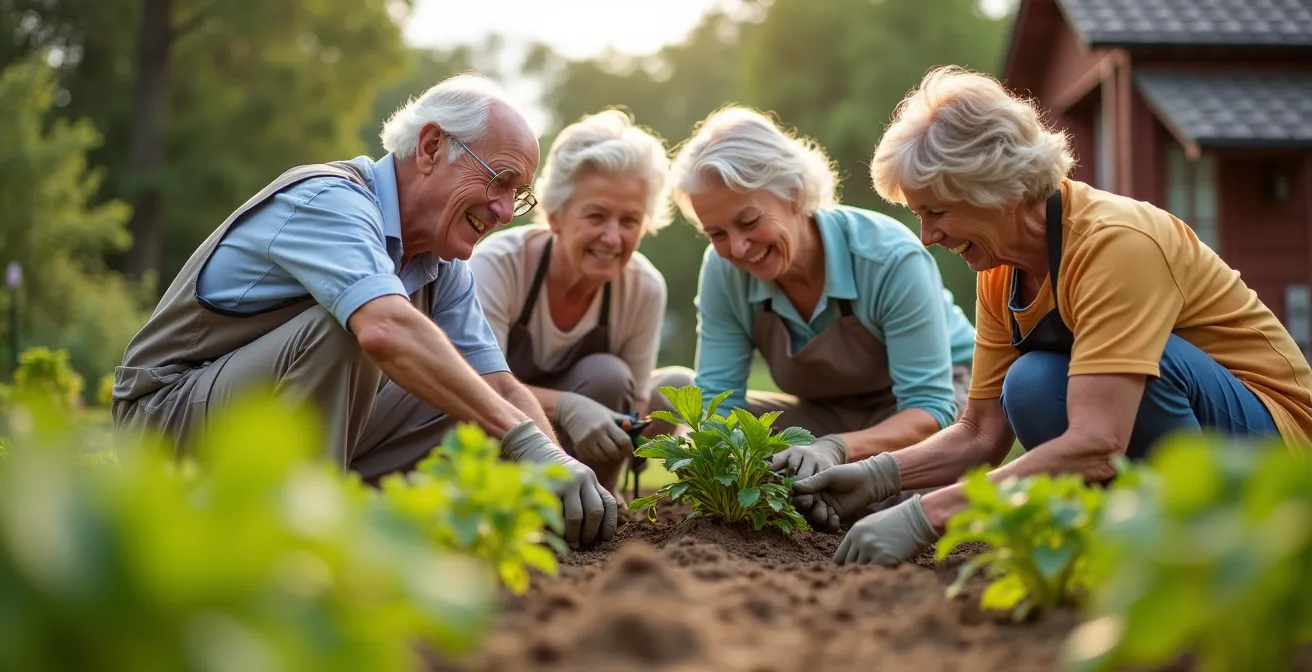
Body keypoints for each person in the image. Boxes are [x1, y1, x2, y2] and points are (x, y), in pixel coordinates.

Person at [799, 65, 1312, 566]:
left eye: (938, 212)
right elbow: (980, 434)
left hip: (1280, 455)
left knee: (1133, 370)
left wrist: (926, 516)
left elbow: (1098, 444)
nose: (927, 237)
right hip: (1199, 438)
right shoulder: (1003, 268)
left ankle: (1199, 548)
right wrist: (875, 474)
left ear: (1003, 191)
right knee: (1032, 382)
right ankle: (1133, 543)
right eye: (919, 215)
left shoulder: (1116, 243)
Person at [110, 73, 617, 548]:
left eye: (518, 195)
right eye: (498, 181)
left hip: (264, 419)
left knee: (463, 388)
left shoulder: (440, 263)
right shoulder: (330, 201)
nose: (506, 212)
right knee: (355, 331)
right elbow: (382, 330)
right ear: (431, 147)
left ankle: (370, 530)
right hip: (165, 423)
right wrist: (521, 440)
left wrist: (555, 468)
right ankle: (294, 542)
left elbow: (500, 387)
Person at [663, 105, 977, 527]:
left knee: (899, 496)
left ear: (794, 193)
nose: (737, 248)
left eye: (749, 221)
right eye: (717, 233)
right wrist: (691, 451)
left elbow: (928, 408)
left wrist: (836, 449)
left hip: (934, 406)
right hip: (823, 413)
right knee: (687, 409)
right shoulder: (723, 272)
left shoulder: (888, 257)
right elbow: (720, 402)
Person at [468, 109, 685, 502]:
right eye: (596, 215)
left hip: (586, 449)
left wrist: (626, 435)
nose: (612, 238)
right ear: (555, 216)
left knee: (619, 377)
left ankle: (598, 499)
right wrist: (568, 406)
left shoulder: (644, 287)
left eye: (630, 220)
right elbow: (478, 389)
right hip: (500, 434)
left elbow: (633, 401)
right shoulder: (500, 264)